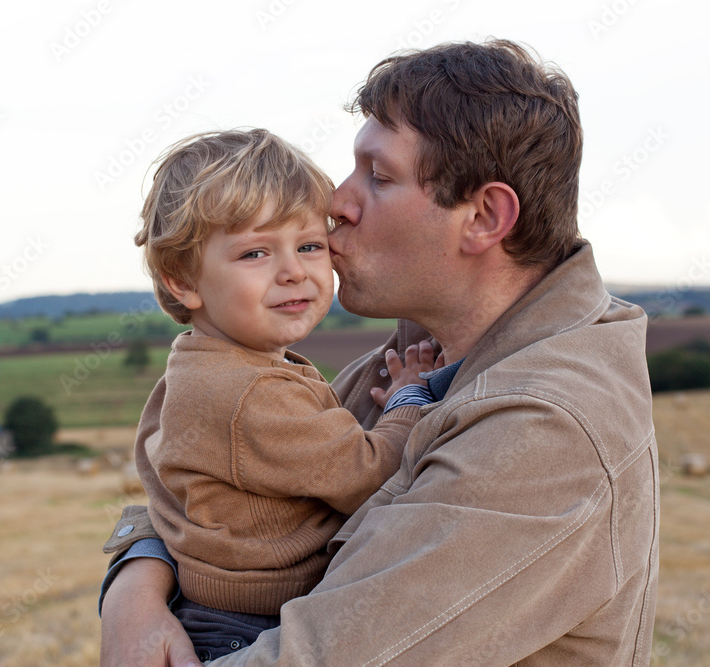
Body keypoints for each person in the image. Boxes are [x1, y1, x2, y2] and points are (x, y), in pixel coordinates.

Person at [100, 39, 659, 666]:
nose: (337, 202)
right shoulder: (419, 357)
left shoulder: (547, 430)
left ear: (483, 216)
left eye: (380, 176)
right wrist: (136, 585)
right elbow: (222, 491)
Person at [125, 128, 439, 662]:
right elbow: (368, 476)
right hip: (246, 628)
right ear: (182, 281)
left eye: (310, 245)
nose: (293, 271)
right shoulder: (250, 391)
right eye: (254, 253)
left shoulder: (201, 364)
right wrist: (408, 401)